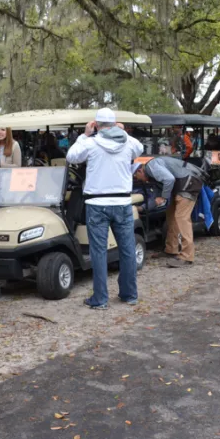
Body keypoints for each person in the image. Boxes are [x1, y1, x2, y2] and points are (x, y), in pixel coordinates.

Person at [66, 108, 144, 309]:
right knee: (127, 249)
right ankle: (129, 294)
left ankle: (100, 299)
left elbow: (72, 156)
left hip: (97, 203)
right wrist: (123, 131)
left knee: (98, 252)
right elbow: (140, 148)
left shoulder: (91, 143)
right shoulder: (127, 143)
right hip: (122, 203)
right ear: (115, 123)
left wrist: (84, 135)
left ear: (96, 124)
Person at [133, 156, 205, 268]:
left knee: (181, 218)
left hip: (189, 183)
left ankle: (187, 256)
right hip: (182, 184)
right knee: (171, 216)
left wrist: (164, 197)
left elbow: (169, 180)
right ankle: (171, 249)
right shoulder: (153, 176)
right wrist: (141, 208)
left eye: (136, 177)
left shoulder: (151, 167)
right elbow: (157, 198)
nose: (138, 180)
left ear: (139, 170)